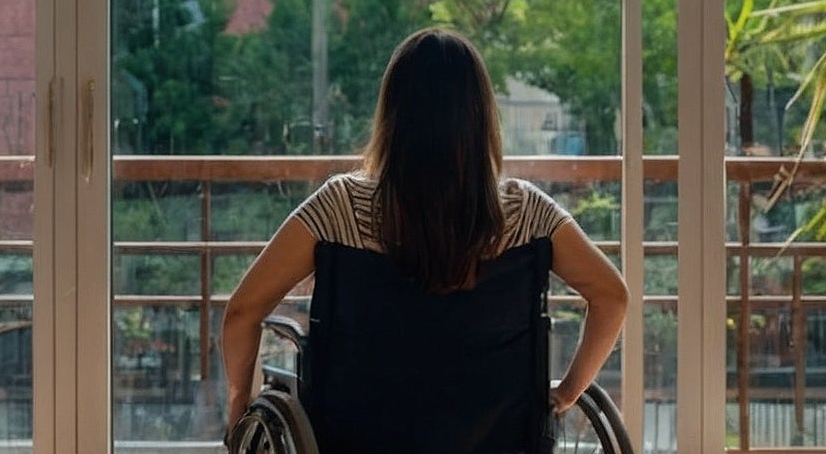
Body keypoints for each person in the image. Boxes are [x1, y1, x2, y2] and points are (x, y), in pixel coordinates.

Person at [219, 27, 628, 430]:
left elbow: (242, 311)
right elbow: (612, 296)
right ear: (481, 117)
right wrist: (568, 393)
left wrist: (239, 405)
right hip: (485, 428)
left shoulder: (339, 206)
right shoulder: (526, 212)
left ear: (393, 116)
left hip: (362, 427)